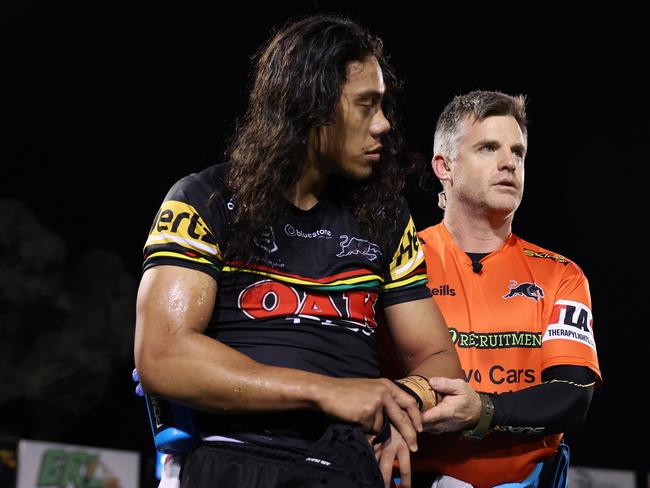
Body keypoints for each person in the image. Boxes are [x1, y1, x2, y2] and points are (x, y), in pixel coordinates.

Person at [134, 15, 463, 488]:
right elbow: (162, 354)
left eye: (383, 105)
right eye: (366, 105)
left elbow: (437, 356)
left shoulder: (387, 218)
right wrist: (325, 393)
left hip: (345, 465)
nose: (384, 124)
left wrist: (400, 408)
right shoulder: (203, 199)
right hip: (231, 457)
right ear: (311, 108)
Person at [411, 91, 602, 487]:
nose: (508, 162)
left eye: (518, 151)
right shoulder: (401, 262)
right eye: (487, 148)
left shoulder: (561, 274)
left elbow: (572, 393)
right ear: (443, 166)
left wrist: (481, 409)